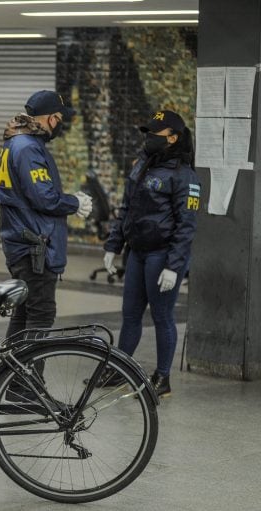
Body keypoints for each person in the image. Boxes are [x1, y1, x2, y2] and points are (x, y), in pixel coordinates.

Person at [102, 110, 200, 397]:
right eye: (147, 134)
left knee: (162, 316)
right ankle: (119, 370)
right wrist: (113, 245)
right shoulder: (142, 165)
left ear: (172, 138)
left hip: (163, 255)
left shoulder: (185, 176)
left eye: (154, 135)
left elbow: (187, 226)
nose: (148, 139)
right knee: (130, 314)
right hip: (137, 252)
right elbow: (126, 208)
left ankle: (163, 378)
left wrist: (175, 266)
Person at [0, 90, 93, 340]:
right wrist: (74, 202)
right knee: (40, 315)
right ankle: (26, 378)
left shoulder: (17, 142)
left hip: (23, 241)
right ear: (50, 119)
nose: (60, 124)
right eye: (60, 118)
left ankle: (14, 378)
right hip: (33, 247)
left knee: (24, 314)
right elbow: (44, 197)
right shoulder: (27, 147)